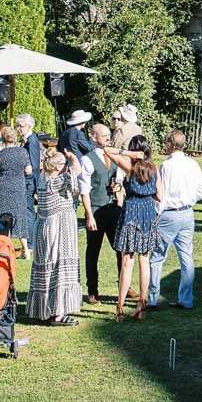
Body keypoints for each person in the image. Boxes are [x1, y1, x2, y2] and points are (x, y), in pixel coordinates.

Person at [25, 146, 87, 326]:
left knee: (47, 268)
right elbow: (77, 173)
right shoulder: (57, 181)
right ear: (58, 166)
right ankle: (58, 313)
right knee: (59, 267)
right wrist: (73, 158)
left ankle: (45, 308)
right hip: (59, 228)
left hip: (45, 226)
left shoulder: (43, 179)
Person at [149, 130, 202, 310]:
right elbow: (200, 192)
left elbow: (161, 193)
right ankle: (186, 299)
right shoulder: (193, 164)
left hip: (169, 213)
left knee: (157, 256)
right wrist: (188, 201)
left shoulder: (166, 166)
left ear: (171, 145)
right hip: (187, 213)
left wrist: (157, 212)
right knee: (186, 256)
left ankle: (152, 298)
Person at [112, 136, 161, 321]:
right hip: (148, 213)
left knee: (127, 261)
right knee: (144, 260)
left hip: (132, 212)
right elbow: (160, 195)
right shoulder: (153, 169)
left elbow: (108, 150)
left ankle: (120, 307)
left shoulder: (130, 168)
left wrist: (128, 153)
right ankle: (142, 303)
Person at [82, 122, 123, 304]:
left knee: (121, 249)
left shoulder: (114, 155)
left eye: (109, 134)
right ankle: (92, 290)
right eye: (104, 135)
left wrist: (118, 186)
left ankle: (124, 285)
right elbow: (84, 190)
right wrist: (89, 215)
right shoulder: (87, 159)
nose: (108, 137)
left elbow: (120, 178)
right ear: (94, 137)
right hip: (96, 209)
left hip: (113, 208)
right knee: (93, 252)